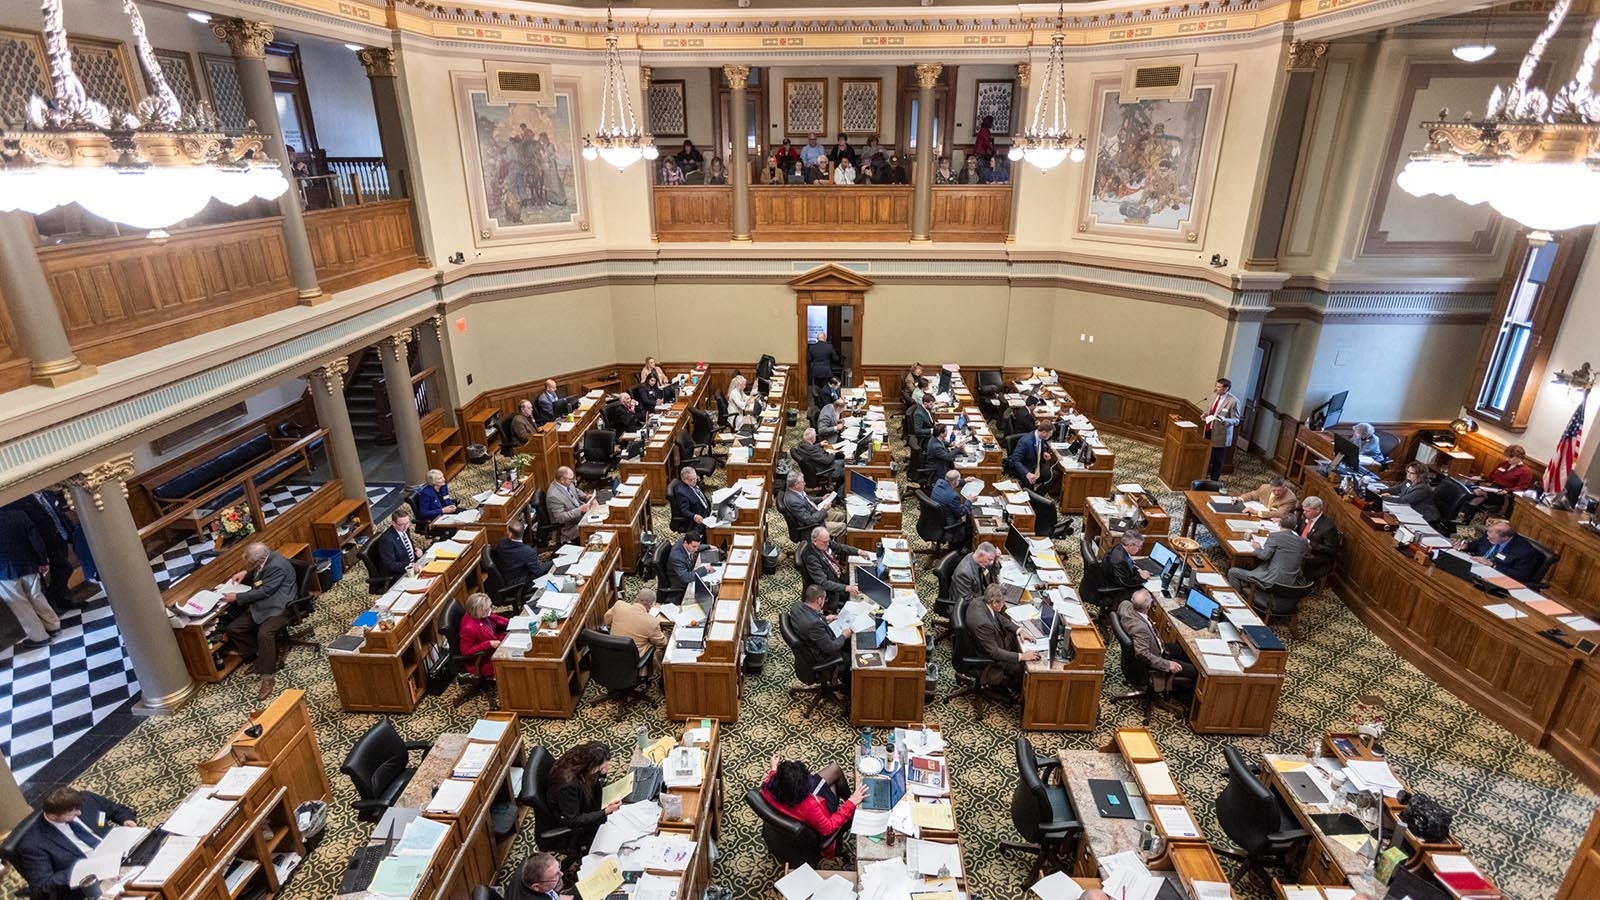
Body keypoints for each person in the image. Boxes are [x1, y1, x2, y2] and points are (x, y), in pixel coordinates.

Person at [15, 786, 137, 898]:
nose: (79, 813)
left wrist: (126, 819)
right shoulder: (33, 843)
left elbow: (116, 809)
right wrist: (79, 870)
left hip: (123, 854)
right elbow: (42, 886)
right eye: (73, 813)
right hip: (95, 882)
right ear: (54, 816)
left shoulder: (87, 799)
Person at [222, 542, 296, 700]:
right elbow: (258, 572)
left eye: (250, 563)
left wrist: (237, 597)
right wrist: (245, 573)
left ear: (261, 557)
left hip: (279, 607)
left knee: (265, 633)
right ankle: (259, 657)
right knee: (234, 629)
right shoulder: (265, 559)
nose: (249, 565)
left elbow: (265, 590)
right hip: (262, 606)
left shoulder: (276, 566)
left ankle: (267, 677)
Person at [760, 752, 864, 855]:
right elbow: (828, 827)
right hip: (815, 820)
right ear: (803, 789)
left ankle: (852, 799)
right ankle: (853, 802)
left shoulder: (767, 788)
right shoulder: (810, 806)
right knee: (835, 775)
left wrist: (774, 768)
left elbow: (773, 779)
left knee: (834, 770)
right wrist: (851, 802)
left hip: (792, 811)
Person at [0, 501, 61, 650]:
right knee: (36, 595)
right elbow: (36, 539)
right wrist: (42, 560)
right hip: (28, 564)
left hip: (3, 571)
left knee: (20, 605)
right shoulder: (18, 515)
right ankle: (53, 626)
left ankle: (39, 637)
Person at [547, 742, 621, 855]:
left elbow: (592, 780)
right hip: (569, 816)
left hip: (583, 800)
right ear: (591, 765)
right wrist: (605, 812)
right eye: (601, 766)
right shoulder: (568, 785)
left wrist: (601, 772)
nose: (607, 767)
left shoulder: (579, 759)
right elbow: (573, 820)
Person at [1118, 589, 1196, 692]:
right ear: (1148, 607)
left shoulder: (1124, 605)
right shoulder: (1141, 629)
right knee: (1195, 672)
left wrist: (1149, 627)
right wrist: (1168, 664)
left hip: (1155, 645)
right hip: (1155, 658)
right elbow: (1143, 655)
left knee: (1182, 650)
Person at [967, 584, 1038, 691]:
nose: (1004, 604)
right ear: (994, 602)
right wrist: (1021, 656)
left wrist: (1019, 630)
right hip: (985, 658)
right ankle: (1013, 694)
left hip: (986, 643)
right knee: (1021, 668)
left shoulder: (981, 600)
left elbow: (999, 617)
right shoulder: (983, 623)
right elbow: (994, 652)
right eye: (1003, 602)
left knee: (1014, 640)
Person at [1226, 510, 1310, 594]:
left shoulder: (1275, 536)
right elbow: (1308, 550)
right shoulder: (1303, 542)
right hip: (1291, 581)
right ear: (1295, 527)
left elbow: (1264, 556)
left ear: (1279, 524)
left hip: (1272, 580)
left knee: (1232, 572)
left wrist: (1257, 548)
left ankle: (1238, 598)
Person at [18, 491, 72, 611]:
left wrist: (70, 532)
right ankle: (51, 597)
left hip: (61, 536)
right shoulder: (24, 501)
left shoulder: (48, 494)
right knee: (65, 569)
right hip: (46, 542)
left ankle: (63, 601)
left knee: (60, 570)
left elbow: (59, 514)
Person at [785, 584, 852, 681]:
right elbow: (831, 648)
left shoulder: (797, 606)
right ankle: (846, 691)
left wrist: (824, 619)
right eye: (824, 599)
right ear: (819, 600)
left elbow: (808, 619)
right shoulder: (815, 625)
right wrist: (844, 635)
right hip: (821, 657)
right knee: (852, 659)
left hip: (810, 645)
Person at [799, 526, 868, 611]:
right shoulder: (811, 557)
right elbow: (824, 583)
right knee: (861, 601)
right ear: (815, 541)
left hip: (839, 576)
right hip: (832, 590)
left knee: (864, 581)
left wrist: (858, 551)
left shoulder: (824, 543)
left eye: (828, 541)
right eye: (825, 542)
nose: (828, 544)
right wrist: (847, 588)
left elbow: (840, 547)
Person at [1455, 519, 1542, 585]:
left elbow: (1520, 575)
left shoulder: (1524, 551)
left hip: (1496, 581)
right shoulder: (1489, 535)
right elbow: (1477, 545)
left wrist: (1493, 565)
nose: (1488, 538)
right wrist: (1466, 546)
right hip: (1476, 570)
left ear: (1505, 538)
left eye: (1491, 537)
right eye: (1488, 533)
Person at [605, 586, 668, 668]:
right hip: (632, 660)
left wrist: (611, 630)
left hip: (611, 651)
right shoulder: (652, 622)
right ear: (651, 605)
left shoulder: (619, 605)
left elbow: (606, 618)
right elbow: (661, 642)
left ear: (636, 598)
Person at [1469, 444, 1535, 517]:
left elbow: (1522, 488)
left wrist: (1507, 490)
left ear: (1519, 457)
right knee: (1475, 492)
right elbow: (1491, 477)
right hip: (1492, 489)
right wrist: (1480, 477)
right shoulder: (1503, 464)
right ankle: (1466, 517)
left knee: (1477, 491)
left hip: (1504, 495)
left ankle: (1463, 511)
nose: (1507, 459)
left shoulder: (1526, 471)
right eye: (1507, 456)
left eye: (1511, 457)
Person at [779, 471, 844, 538]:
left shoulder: (794, 490)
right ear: (796, 484)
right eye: (803, 482)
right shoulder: (794, 502)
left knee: (841, 516)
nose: (805, 483)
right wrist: (824, 509)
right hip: (813, 527)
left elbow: (807, 499)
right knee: (842, 527)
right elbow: (810, 520)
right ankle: (831, 545)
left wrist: (822, 498)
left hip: (815, 512)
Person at [458, 591, 507, 677]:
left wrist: (512, 623)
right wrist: (488, 644)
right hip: (485, 658)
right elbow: (465, 651)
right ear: (478, 611)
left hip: (497, 642)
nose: (490, 611)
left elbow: (495, 618)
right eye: (487, 610)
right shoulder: (469, 628)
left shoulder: (482, 614)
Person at [1202, 378, 1241, 481]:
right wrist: (1205, 414)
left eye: (1219, 387)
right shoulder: (1213, 396)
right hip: (1209, 430)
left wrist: (1224, 420)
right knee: (1206, 457)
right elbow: (1209, 409)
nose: (1216, 388)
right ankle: (1203, 477)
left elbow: (1236, 420)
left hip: (1221, 435)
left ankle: (1214, 481)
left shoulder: (1233, 402)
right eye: (1216, 386)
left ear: (1226, 388)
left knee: (1217, 460)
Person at [492, 518, 550, 586]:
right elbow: (538, 571)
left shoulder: (501, 543)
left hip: (506, 576)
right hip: (518, 583)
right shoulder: (528, 552)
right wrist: (552, 562)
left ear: (510, 534)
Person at [546, 466, 595, 544]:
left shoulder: (567, 483)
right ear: (562, 479)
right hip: (569, 527)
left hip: (580, 516)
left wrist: (585, 496)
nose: (574, 481)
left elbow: (576, 491)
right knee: (595, 527)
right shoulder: (554, 496)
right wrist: (579, 510)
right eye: (571, 479)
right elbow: (560, 518)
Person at [372, 511, 425, 583]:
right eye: (402, 524)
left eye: (407, 523)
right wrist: (410, 565)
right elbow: (390, 564)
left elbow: (407, 548)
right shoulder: (386, 540)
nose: (406, 526)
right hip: (400, 573)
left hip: (414, 564)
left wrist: (417, 551)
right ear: (393, 524)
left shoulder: (405, 529)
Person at [1298, 496, 1340, 581]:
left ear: (1317, 510)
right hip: (1300, 547)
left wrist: (1311, 543)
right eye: (1304, 510)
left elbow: (1331, 550)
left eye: (1307, 511)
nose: (1304, 513)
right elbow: (1299, 530)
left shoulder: (1328, 527)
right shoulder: (1306, 517)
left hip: (1316, 556)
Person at [1008, 420, 1057, 490]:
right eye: (1050, 433)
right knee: (1029, 485)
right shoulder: (1025, 442)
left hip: (1036, 463)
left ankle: (1039, 494)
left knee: (1054, 475)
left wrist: (1043, 452)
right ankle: (1032, 495)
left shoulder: (1042, 437)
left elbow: (1040, 446)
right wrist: (1027, 473)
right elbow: (1015, 460)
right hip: (1026, 466)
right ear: (1043, 432)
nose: (1051, 435)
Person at [505, 851, 569, 900]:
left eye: (558, 866)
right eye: (555, 876)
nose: (562, 874)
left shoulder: (528, 864)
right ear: (536, 887)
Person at [930, 470, 972, 543]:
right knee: (969, 527)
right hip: (948, 524)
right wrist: (969, 501)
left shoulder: (939, 482)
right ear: (954, 482)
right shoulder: (954, 497)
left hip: (934, 520)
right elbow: (961, 512)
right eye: (959, 480)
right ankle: (958, 549)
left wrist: (964, 481)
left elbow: (952, 483)